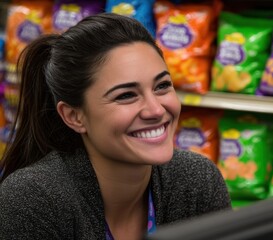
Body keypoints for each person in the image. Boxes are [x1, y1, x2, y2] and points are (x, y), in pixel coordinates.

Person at [0, 12, 231, 239]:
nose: (156, 110)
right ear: (74, 116)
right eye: (126, 95)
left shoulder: (196, 181)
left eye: (162, 86)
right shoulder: (32, 200)